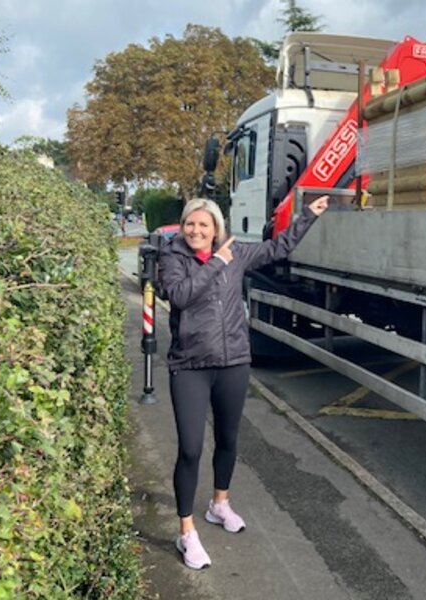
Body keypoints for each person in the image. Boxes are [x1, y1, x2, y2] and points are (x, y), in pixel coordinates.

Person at [158, 195, 329, 569]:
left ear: (217, 229)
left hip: (233, 361)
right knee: (190, 448)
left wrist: (307, 216)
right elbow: (181, 297)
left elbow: (278, 248)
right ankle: (187, 532)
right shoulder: (173, 258)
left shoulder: (238, 254)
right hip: (190, 365)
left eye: (204, 225)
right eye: (190, 224)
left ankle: (219, 504)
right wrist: (216, 263)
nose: (196, 231)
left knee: (229, 439)